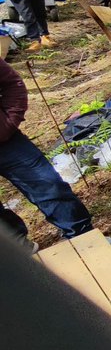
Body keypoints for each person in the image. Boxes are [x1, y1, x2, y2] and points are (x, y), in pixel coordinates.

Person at [0, 58, 95, 246]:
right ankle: (17, 248)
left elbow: (12, 84)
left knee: (48, 184)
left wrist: (7, 123)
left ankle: (83, 237)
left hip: (6, 141)